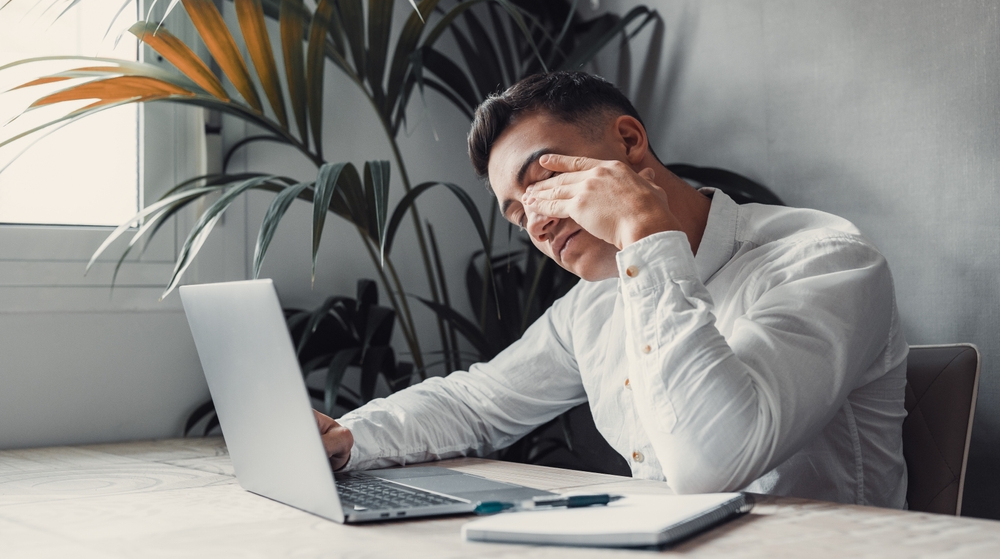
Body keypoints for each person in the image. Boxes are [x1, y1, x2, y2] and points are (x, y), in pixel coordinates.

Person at [313, 71, 908, 507]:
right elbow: (476, 404)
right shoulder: (594, 304)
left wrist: (645, 230)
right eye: (518, 215)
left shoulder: (825, 261)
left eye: (545, 183)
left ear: (628, 142)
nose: (539, 224)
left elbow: (713, 463)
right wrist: (349, 437)